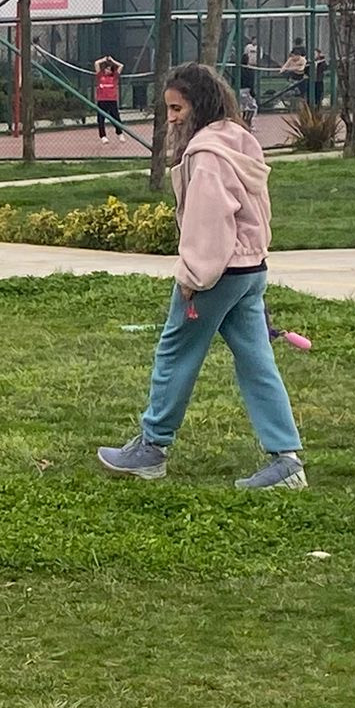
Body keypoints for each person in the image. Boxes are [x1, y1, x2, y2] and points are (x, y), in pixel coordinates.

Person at [98, 63, 306, 491]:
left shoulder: (206, 155)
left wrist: (193, 275)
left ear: (199, 105)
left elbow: (208, 221)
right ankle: (287, 459)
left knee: (175, 353)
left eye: (177, 108)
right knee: (256, 360)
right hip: (250, 269)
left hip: (217, 273)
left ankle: (152, 448)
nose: (171, 118)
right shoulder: (239, 141)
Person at [93, 55, 124, 141]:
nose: (108, 71)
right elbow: (96, 63)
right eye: (106, 69)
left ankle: (119, 133)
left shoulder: (114, 77)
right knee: (101, 119)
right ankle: (103, 136)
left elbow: (121, 66)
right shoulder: (100, 76)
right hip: (102, 101)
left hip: (112, 101)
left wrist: (112, 61)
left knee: (116, 118)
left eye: (109, 70)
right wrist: (103, 60)